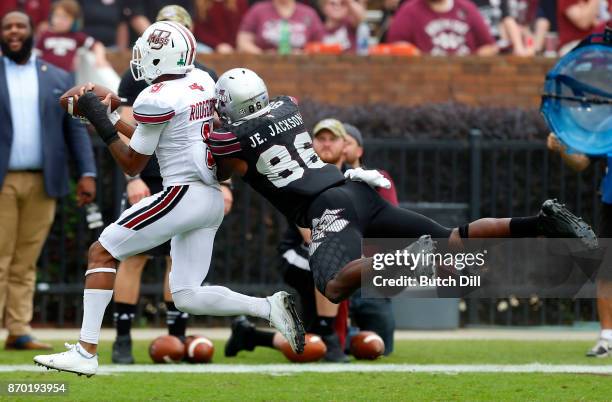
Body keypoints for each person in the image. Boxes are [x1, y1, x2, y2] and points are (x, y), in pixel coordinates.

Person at [33, 21, 305, 377]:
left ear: (160, 57)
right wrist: (113, 114)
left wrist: (100, 119)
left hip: (182, 193)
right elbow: (161, 136)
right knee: (187, 294)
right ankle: (269, 308)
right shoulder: (201, 82)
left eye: (146, 52)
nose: (141, 58)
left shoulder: (156, 96)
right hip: (208, 199)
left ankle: (85, 351)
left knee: (102, 251)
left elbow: (133, 160)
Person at [207, 67, 596, 306]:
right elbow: (281, 103)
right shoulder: (287, 107)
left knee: (335, 285)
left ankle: (405, 256)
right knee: (454, 240)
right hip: (357, 190)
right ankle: (540, 221)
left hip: (326, 208)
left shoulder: (232, 141)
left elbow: (217, 150)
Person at [110, 4, 223, 365]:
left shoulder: (204, 75)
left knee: (179, 257)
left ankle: (176, 336)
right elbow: (135, 136)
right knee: (134, 254)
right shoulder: (137, 75)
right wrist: (134, 180)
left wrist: (224, 183)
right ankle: (123, 338)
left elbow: (219, 136)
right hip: (150, 172)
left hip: (190, 175)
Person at [0, 10, 97, 351]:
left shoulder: (58, 75)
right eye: (8, 26)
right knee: (0, 257)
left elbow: (76, 129)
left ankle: (18, 330)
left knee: (26, 259)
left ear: (32, 33)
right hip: (3, 182)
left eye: (20, 26)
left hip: (44, 182)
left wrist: (87, 172)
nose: (14, 31)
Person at [547, 133, 612, 357]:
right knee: (606, 273)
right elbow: (581, 162)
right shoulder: (607, 130)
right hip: (611, 207)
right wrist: (562, 147)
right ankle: (607, 338)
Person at [342, 122, 396, 355]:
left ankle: (353, 338)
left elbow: (390, 222)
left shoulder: (378, 178)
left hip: (370, 275)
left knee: (381, 347)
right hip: (338, 270)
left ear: (359, 150)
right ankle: (345, 338)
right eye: (338, 141)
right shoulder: (323, 179)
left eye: (348, 142)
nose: (342, 147)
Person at [386, 0, 498, 56]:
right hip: (423, 83)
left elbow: (489, 46)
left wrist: (470, 63)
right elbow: (395, 45)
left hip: (465, 83)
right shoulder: (409, 11)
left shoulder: (467, 8)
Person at [36, 0, 109, 74]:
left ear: (74, 21)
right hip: (46, 74)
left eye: (65, 18)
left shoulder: (76, 36)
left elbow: (97, 45)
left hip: (66, 77)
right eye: (57, 16)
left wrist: (100, 59)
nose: (60, 21)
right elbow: (36, 54)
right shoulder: (45, 35)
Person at [237, 0, 325, 53]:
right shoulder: (258, 10)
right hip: (264, 68)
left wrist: (304, 53)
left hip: (302, 69)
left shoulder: (309, 13)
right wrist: (262, 54)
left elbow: (321, 44)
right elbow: (243, 42)